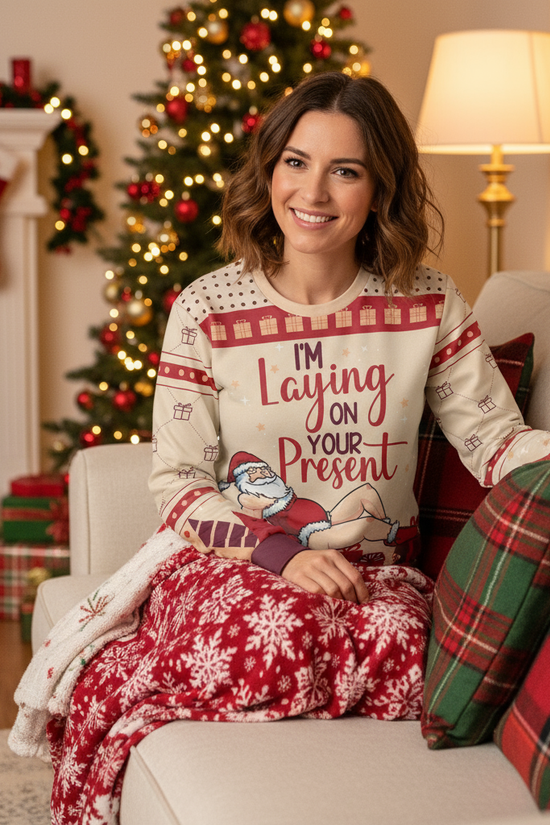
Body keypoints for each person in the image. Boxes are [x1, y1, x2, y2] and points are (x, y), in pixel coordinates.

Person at [149, 70, 550, 599]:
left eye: (345, 171)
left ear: (381, 190)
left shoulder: (427, 302)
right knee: (276, 640)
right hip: (241, 569)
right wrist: (282, 556)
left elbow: (495, 442)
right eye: (295, 162)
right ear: (270, 171)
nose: (312, 192)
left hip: (376, 583)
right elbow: (177, 480)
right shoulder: (208, 308)